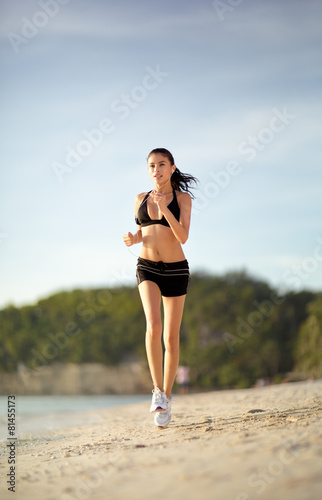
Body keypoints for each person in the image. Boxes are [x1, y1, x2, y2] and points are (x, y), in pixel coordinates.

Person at [123, 148, 198, 428]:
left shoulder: (182, 199)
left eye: (162, 165)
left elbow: (182, 236)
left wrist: (165, 206)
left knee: (171, 338)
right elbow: (144, 229)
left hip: (177, 269)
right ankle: (156, 391)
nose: (157, 170)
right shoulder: (140, 199)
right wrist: (134, 237)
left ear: (172, 167)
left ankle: (167, 396)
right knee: (153, 326)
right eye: (152, 166)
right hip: (147, 266)